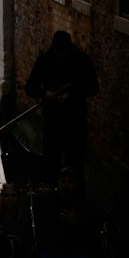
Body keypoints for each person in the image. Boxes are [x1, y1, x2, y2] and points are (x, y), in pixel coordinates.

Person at [24, 29, 99, 184]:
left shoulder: (82, 61)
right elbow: (30, 88)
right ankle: (50, 194)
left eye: (64, 53)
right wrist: (46, 93)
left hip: (76, 120)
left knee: (76, 163)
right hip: (53, 120)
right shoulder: (45, 60)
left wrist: (73, 94)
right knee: (51, 163)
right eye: (59, 53)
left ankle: (76, 198)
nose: (61, 56)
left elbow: (93, 88)